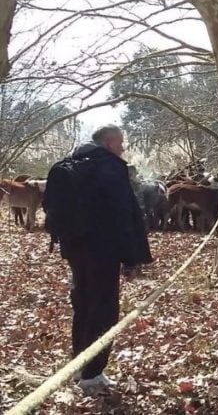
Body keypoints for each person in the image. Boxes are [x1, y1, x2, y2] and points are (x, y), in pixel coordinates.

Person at [59, 125, 153, 393]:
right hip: (104, 251)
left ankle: (79, 365)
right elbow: (124, 214)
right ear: (109, 143)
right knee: (103, 311)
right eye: (120, 142)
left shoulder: (72, 163)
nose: (123, 148)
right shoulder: (111, 167)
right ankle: (92, 374)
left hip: (75, 249)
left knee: (83, 306)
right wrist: (133, 258)